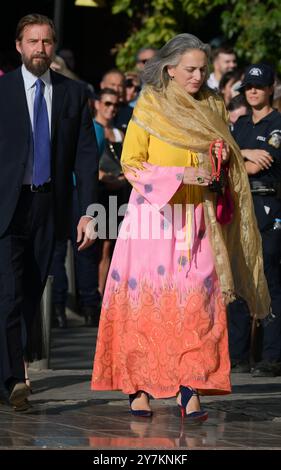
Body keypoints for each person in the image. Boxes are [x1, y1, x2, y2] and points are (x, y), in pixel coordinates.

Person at [91, 33, 270, 419]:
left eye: (202, 70)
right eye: (190, 69)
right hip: (153, 219)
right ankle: (137, 387)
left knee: (199, 303)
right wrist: (183, 174)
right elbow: (132, 163)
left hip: (198, 220)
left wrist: (223, 161)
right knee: (147, 304)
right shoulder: (150, 106)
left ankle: (189, 386)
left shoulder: (213, 105)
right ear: (169, 69)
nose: (197, 76)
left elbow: (223, 151)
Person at [0, 13, 98, 411]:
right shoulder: (3, 91)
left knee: (31, 291)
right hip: (8, 206)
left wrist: (90, 213)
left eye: (46, 42)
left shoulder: (74, 94)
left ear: (53, 47)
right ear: (19, 46)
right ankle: (14, 378)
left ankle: (12, 367)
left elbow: (86, 158)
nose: (40, 49)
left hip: (49, 207)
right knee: (7, 293)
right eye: (33, 42)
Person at [231, 64, 281, 377]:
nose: (252, 92)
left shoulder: (278, 124)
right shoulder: (241, 124)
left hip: (269, 207)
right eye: (248, 86)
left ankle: (272, 355)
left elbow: (254, 166)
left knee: (269, 282)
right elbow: (226, 158)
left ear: (272, 88)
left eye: (259, 87)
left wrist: (241, 155)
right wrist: (244, 150)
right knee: (237, 283)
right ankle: (237, 354)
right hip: (241, 209)